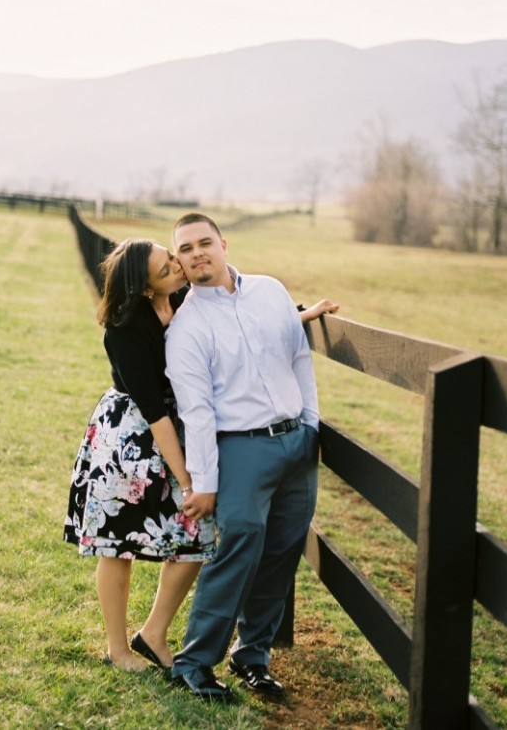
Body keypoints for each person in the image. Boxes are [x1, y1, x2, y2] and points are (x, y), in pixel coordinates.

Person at [64, 237, 336, 673]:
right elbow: (154, 413)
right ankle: (117, 649)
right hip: (132, 437)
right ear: (144, 287)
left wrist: (301, 315)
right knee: (117, 545)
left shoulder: (185, 296)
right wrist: (190, 480)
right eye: (165, 268)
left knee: (197, 533)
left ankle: (153, 633)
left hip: (182, 427)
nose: (178, 266)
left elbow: (241, 326)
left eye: (171, 258)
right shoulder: (125, 329)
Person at [165, 213, 325, 702]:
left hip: (296, 441)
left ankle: (251, 656)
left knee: (282, 550)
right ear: (180, 261)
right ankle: (195, 661)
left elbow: (298, 356)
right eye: (186, 249)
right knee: (239, 546)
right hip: (240, 447)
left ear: (224, 243)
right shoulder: (186, 328)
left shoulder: (271, 292)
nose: (196, 254)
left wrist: (311, 422)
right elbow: (197, 411)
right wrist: (205, 482)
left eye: (204, 243)